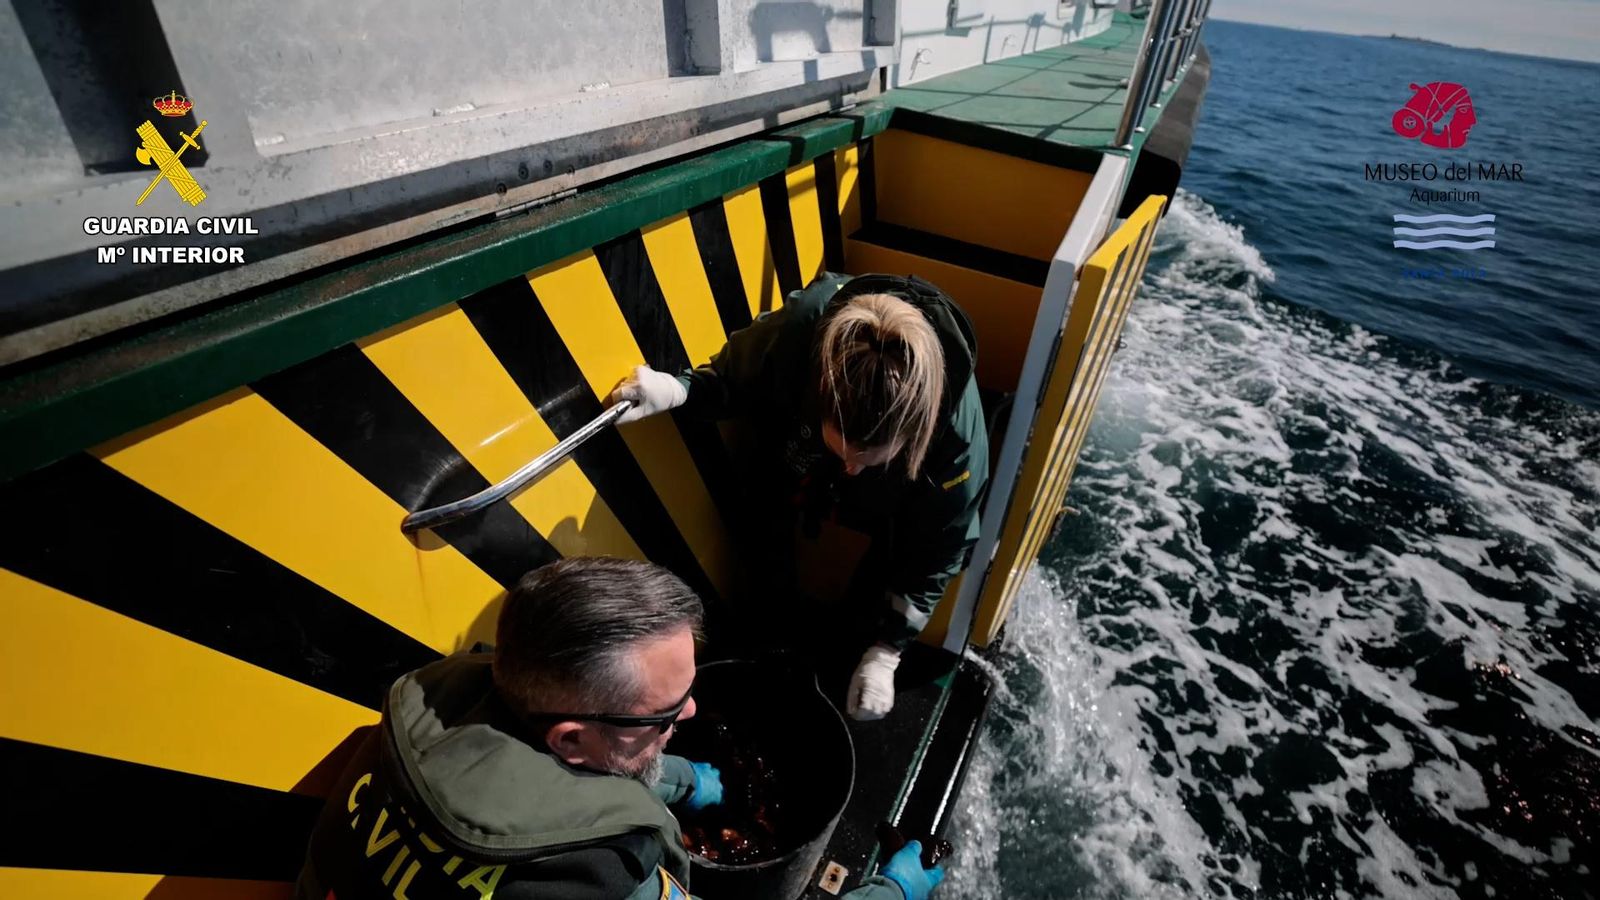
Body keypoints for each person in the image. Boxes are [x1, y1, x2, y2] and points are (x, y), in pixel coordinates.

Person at [294, 556, 945, 900]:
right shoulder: (600, 880)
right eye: (665, 714)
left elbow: (520, 786)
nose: (688, 716)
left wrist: (685, 782)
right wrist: (892, 890)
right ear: (570, 739)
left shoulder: (424, 720)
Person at [607, 273, 989, 721]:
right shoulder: (803, 328)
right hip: (802, 446)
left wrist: (887, 650)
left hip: (895, 488)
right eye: (845, 452)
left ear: (916, 435)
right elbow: (737, 376)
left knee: (892, 558)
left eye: (867, 460)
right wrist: (680, 390)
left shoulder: (956, 442)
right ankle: (767, 627)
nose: (851, 470)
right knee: (765, 507)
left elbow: (940, 545)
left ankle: (856, 643)